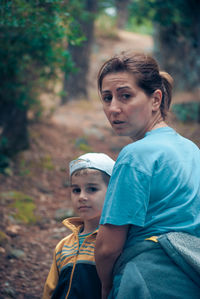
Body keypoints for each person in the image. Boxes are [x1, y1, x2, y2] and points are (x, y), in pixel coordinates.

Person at [94, 52, 200, 299]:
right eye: (107, 98)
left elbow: (108, 248)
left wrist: (106, 287)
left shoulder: (135, 155)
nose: (113, 108)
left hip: (145, 281)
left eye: (125, 96)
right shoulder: (192, 150)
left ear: (155, 99)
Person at [43, 152, 115, 299]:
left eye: (92, 189)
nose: (82, 196)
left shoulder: (115, 242)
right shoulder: (63, 245)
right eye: (76, 190)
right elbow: (50, 290)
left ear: (113, 191)